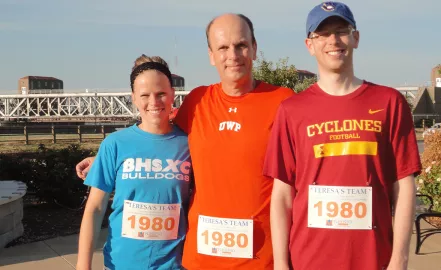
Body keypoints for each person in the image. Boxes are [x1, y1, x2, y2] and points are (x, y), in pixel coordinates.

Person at [77, 14, 294, 269]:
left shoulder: (282, 101)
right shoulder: (198, 101)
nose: (233, 55)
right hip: (199, 259)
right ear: (211, 55)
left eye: (241, 45)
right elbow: (155, 131)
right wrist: (105, 159)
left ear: (255, 48)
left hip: (260, 258)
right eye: (223, 47)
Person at [264, 2, 421, 270]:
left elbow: (404, 185)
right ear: (309, 45)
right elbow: (282, 195)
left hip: (375, 259)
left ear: (356, 37)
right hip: (309, 259)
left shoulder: (389, 102)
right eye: (322, 34)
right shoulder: (292, 110)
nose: (333, 40)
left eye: (341, 30)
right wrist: (280, 263)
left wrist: (400, 259)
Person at [76, 55, 192, 270]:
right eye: (145, 95)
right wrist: (83, 265)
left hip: (175, 265)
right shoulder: (114, 144)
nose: (154, 102)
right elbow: (94, 208)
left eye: (161, 94)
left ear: (173, 95)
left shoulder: (190, 144)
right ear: (134, 98)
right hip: (121, 263)